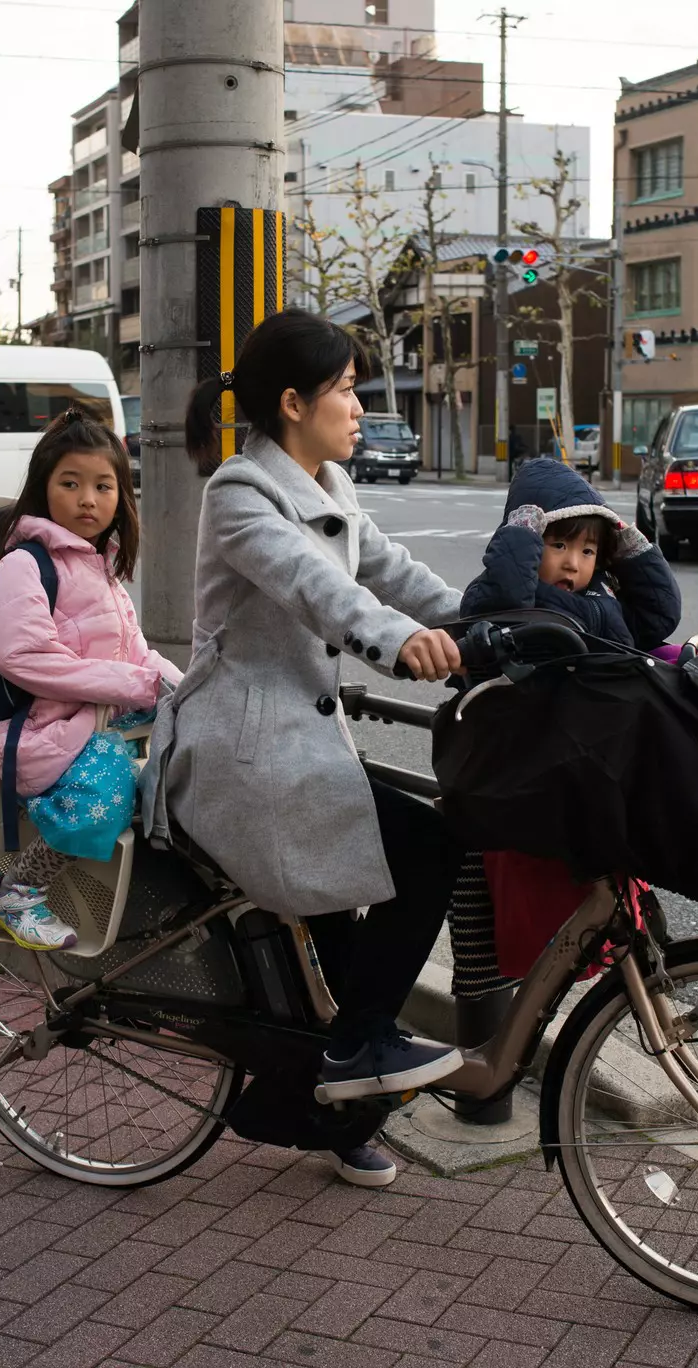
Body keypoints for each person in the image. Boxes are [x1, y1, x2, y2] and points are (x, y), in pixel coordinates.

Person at [145, 310, 464, 1189]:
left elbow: (389, 569)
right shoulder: (240, 492)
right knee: (430, 849)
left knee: (344, 930)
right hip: (242, 754)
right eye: (347, 389)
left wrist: (488, 622)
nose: (361, 405)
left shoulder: (327, 480)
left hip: (301, 746)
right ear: (293, 401)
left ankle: (327, 1101)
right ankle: (351, 1061)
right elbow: (317, 586)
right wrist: (399, 643)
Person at [0, 405, 180, 951]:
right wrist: (135, 686)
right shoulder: (26, 564)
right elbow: (24, 658)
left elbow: (136, 652)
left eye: (104, 486)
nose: (89, 499)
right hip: (42, 733)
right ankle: (15, 889)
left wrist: (187, 687)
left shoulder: (100, 567)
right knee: (111, 785)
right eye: (71, 483)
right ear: (44, 489)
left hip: (90, 721)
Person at [461, 456, 682, 650]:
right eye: (559, 546)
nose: (573, 564)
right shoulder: (506, 592)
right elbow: (500, 602)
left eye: (587, 551)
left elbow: (658, 617)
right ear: (531, 540)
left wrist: (633, 551)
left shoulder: (604, 590)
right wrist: (519, 536)